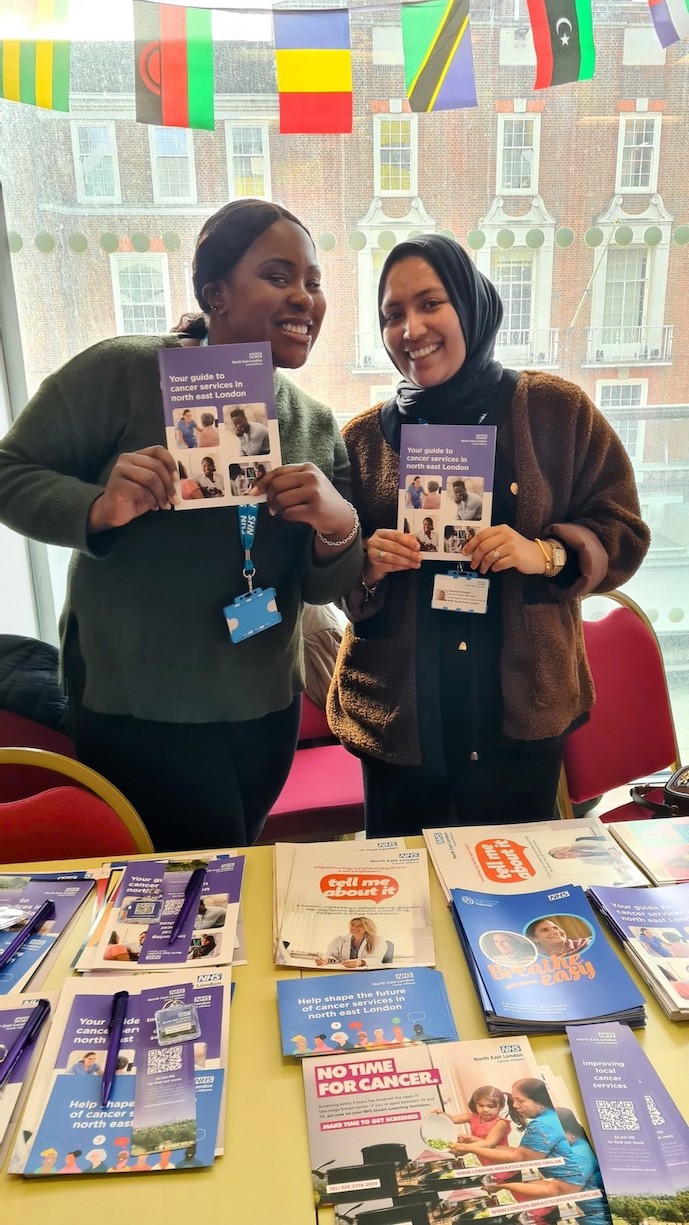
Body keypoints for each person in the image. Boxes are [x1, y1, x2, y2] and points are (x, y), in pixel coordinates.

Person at [0, 198, 362, 850]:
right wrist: (96, 507)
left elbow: (317, 584)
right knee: (189, 899)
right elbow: (11, 471)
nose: (305, 298)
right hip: (139, 704)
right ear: (214, 293)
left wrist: (339, 527)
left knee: (233, 874)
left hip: (263, 708)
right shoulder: (124, 375)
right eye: (279, 276)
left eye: (313, 281)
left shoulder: (312, 423)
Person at [328, 234, 649, 837]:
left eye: (430, 303)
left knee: (515, 891)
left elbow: (626, 533)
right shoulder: (364, 439)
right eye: (392, 314)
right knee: (408, 903)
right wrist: (362, 563)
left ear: (471, 306)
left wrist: (546, 553)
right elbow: (333, 581)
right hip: (401, 725)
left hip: (519, 716)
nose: (411, 327)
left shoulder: (557, 411)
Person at [455, 1077, 589, 1199]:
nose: (514, 1105)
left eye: (520, 1100)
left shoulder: (542, 1125)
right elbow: (520, 1152)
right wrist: (476, 1142)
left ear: (540, 1101)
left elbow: (518, 1158)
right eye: (514, 1100)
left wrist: (469, 1148)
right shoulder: (553, 1117)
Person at [432, 1085, 519, 1161]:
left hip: (505, 1167)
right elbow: (452, 1119)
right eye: (480, 1105)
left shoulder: (500, 1124)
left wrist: (464, 1147)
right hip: (488, 1165)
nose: (485, 1109)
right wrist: (440, 1113)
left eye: (490, 1106)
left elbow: (489, 1144)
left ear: (501, 1106)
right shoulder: (472, 1117)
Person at [314, 916, 387, 969]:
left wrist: (359, 962)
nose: (355, 927)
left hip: (367, 973)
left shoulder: (378, 940)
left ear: (368, 928)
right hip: (344, 971)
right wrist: (325, 960)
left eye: (360, 925)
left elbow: (376, 959)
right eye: (353, 925)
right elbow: (331, 955)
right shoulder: (339, 939)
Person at [525, 917, 591, 957]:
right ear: (534, 938)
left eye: (555, 928)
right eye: (545, 930)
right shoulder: (537, 959)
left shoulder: (586, 944)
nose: (555, 932)